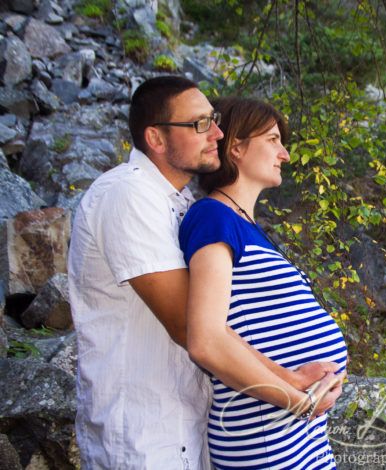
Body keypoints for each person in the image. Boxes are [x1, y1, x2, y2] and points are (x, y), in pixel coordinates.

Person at [68, 76, 340, 469]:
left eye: (213, 120)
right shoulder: (127, 194)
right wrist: (295, 395)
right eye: (199, 124)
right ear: (156, 139)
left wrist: (294, 379)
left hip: (187, 425)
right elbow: (193, 330)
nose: (216, 132)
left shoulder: (178, 204)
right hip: (142, 435)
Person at [178, 96, 348, 469]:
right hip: (264, 439)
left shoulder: (243, 225)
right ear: (236, 147)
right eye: (272, 140)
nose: (284, 154)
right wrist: (298, 400)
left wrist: (313, 381)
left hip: (295, 436)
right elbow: (207, 339)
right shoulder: (212, 217)